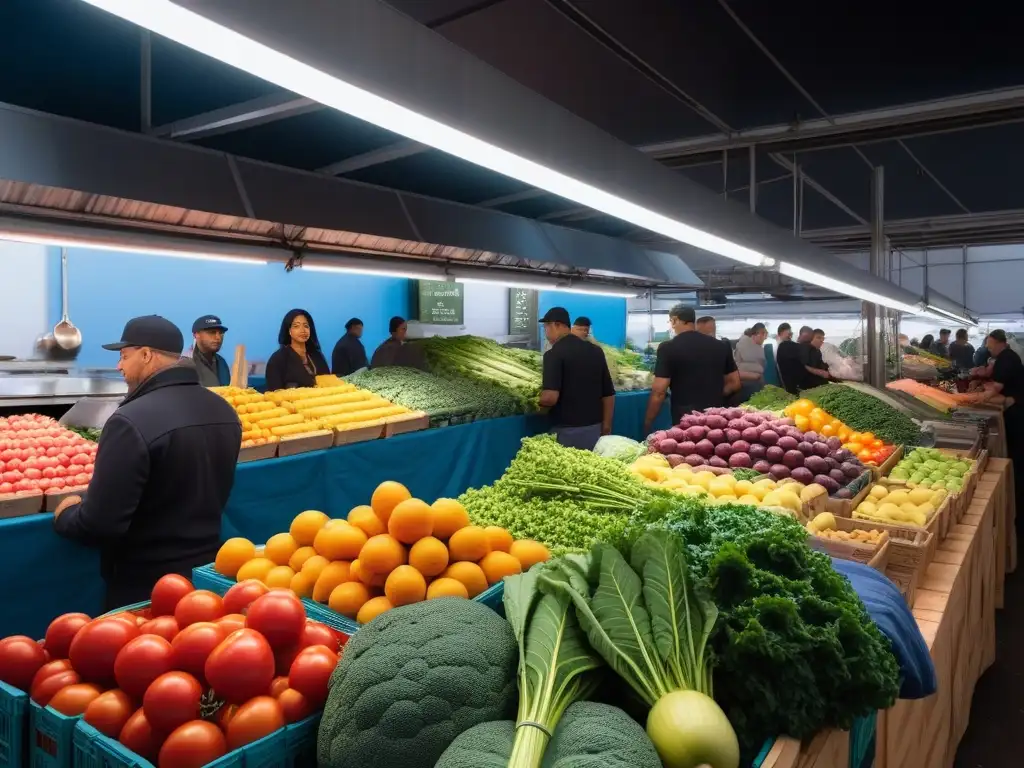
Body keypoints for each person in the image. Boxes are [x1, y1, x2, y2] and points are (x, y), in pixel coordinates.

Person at [52, 316, 241, 610]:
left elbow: (100, 523)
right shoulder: (224, 410)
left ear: (146, 355)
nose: (119, 366)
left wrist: (65, 514)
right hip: (205, 578)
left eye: (124, 356)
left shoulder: (130, 421)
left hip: (145, 589)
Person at [643, 304, 740, 431]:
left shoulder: (667, 348)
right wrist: (713, 397)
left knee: (688, 449)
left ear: (674, 320)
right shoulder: (721, 346)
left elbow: (659, 392)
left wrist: (648, 420)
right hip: (716, 417)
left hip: (685, 419)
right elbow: (735, 383)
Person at [538, 307, 614, 450]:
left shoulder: (553, 355)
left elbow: (550, 397)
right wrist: (607, 425)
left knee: (568, 470)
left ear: (557, 325)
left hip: (567, 432)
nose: (546, 332)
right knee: (590, 469)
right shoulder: (596, 351)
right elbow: (608, 393)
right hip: (594, 428)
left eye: (546, 327)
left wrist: (534, 405)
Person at [980, 330, 1024, 532]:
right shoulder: (1007, 357)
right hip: (1014, 404)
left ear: (1000, 343)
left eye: (990, 346)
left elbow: (996, 388)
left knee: (1017, 452)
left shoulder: (1006, 359)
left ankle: (1016, 490)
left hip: (1017, 411)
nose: (989, 349)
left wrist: (977, 398)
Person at [265, 309, 330, 391]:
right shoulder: (278, 359)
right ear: (289, 330)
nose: (303, 330)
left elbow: (329, 383)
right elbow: (274, 392)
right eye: (296, 326)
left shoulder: (317, 355)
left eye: (306, 326)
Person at [184, 314, 230, 387]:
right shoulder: (185, 363)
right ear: (196, 335)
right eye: (212, 332)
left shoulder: (222, 362)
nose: (218, 337)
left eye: (221, 333)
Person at [734, 323, 768, 400]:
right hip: (748, 384)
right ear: (756, 334)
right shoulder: (746, 345)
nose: (765, 338)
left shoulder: (756, 347)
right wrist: (756, 375)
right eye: (763, 334)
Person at [776, 324, 808, 394]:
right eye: (788, 333)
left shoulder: (780, 346)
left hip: (789, 382)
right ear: (781, 333)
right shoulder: (784, 346)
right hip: (793, 382)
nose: (790, 335)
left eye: (790, 333)